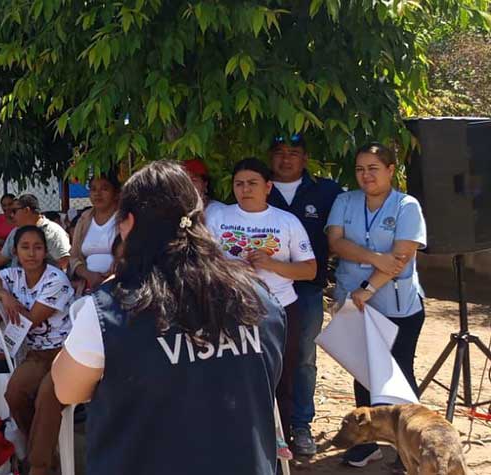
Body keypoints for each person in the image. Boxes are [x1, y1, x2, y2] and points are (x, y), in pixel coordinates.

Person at [50, 160, 286, 474]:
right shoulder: (258, 296)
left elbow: (66, 389)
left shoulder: (112, 307)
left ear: (128, 223)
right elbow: (267, 376)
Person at [327, 143, 427, 468]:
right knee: (364, 374)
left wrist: (369, 288)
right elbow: (336, 243)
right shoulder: (345, 201)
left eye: (373, 168)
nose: (366, 175)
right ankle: (366, 443)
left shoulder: (406, 206)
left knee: (399, 377)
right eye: (360, 169)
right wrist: (373, 257)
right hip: (355, 304)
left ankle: (408, 450)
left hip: (397, 306)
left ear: (390, 170)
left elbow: (402, 255)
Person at [206, 158, 316, 449]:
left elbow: (310, 270)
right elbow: (202, 263)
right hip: (231, 308)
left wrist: (272, 265)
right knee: (233, 378)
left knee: (281, 377)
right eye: (239, 184)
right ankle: (237, 446)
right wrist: (230, 268)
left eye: (252, 183)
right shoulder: (217, 217)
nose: (245, 189)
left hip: (280, 309)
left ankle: (281, 446)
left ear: (268, 187)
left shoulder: (286, 221)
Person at [0, 226, 75, 475]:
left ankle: (38, 466)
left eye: (37, 247)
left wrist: (6, 297)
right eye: (25, 247)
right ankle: (44, 454)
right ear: (15, 251)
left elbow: (30, 321)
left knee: (47, 395)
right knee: (14, 393)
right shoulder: (12, 276)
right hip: (36, 354)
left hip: (65, 353)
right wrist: (1, 293)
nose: (31, 253)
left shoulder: (56, 279)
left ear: (45, 251)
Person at [265, 134, 343, 455]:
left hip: (307, 289)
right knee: (261, 355)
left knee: (303, 358)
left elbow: (339, 235)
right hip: (262, 290)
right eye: (279, 152)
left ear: (305, 158)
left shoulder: (327, 192)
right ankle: (267, 425)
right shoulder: (257, 186)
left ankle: (300, 425)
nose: (286, 159)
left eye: (293, 153)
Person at [0, 194, 72, 270]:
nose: (11, 215)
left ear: (26, 210)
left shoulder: (53, 232)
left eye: (14, 211)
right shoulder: (16, 231)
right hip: (16, 282)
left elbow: (64, 262)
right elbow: (2, 257)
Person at [68, 172, 121, 294]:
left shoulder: (124, 218)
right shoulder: (83, 220)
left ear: (116, 193)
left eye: (104, 188)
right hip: (88, 287)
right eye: (93, 189)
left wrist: (118, 267)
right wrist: (88, 274)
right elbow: (74, 257)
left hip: (119, 285)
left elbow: (133, 252)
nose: (98, 193)